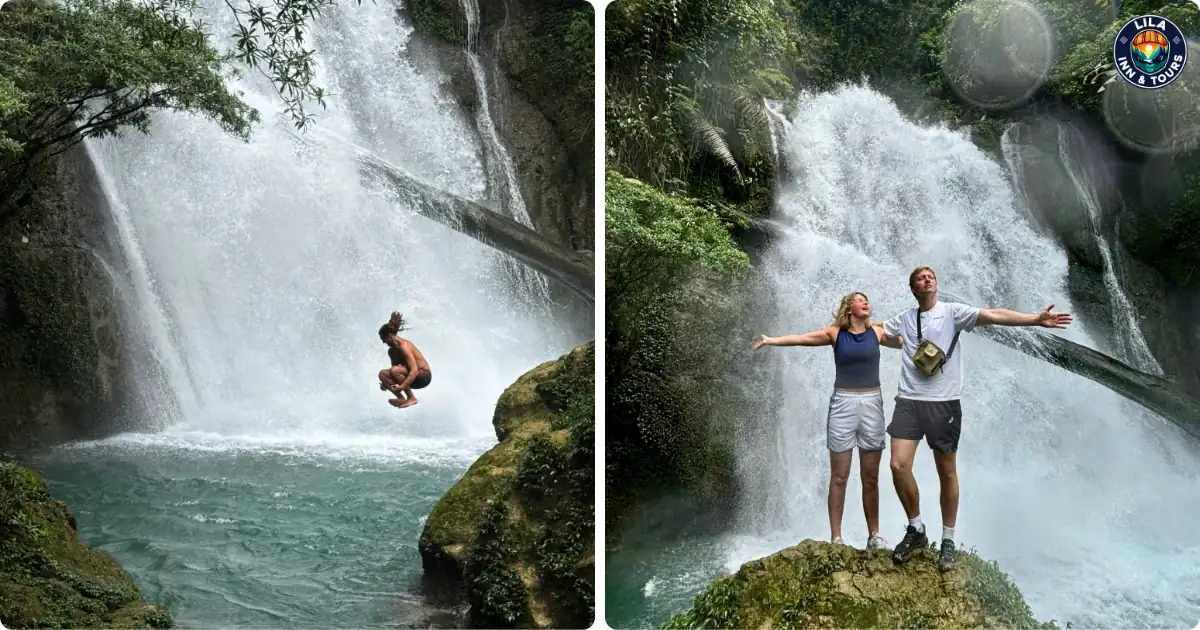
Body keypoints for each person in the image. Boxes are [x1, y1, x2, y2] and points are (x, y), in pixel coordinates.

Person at [880, 266, 1072, 572]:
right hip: (909, 401)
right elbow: (877, 333)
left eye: (930, 276)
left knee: (947, 472)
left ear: (936, 284)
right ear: (913, 289)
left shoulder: (954, 313)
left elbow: (994, 314)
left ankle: (948, 539)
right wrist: (848, 326)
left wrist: (1035, 319)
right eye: (920, 278)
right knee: (897, 465)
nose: (927, 279)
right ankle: (916, 528)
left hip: (944, 404)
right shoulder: (903, 318)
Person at [753, 291, 905, 550]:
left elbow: (905, 342)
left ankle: (875, 535)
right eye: (860, 299)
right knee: (839, 476)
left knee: (870, 476)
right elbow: (802, 338)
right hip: (843, 405)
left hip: (872, 403)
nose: (866, 302)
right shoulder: (835, 333)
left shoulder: (877, 332)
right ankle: (836, 538)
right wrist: (771, 340)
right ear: (849, 308)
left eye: (867, 299)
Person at [377, 312, 432, 409]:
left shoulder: (404, 346)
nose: (383, 342)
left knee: (395, 370)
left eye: (383, 339)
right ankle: (401, 398)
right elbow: (393, 373)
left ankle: (411, 398)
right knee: (382, 374)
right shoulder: (392, 351)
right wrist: (385, 384)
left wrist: (402, 387)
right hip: (410, 378)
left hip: (423, 376)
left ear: (390, 336)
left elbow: (414, 370)